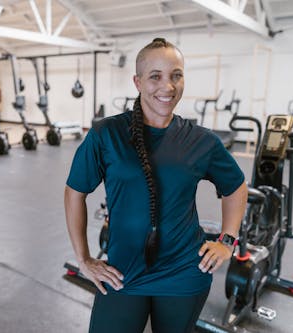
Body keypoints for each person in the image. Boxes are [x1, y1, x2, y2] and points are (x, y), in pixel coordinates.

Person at [64, 38, 248, 333]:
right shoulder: (106, 134)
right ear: (137, 82)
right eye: (156, 76)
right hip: (121, 273)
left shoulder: (201, 141)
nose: (168, 86)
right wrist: (84, 259)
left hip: (184, 274)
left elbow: (236, 187)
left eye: (176, 75)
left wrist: (227, 240)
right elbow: (75, 192)